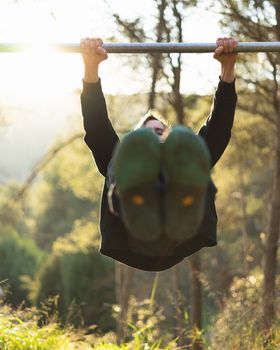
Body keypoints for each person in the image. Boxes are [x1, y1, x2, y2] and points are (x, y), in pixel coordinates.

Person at [80, 37, 238, 271]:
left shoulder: (183, 158)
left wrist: (228, 68)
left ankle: (175, 208)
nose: (156, 134)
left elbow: (218, 129)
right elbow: (97, 128)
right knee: (119, 158)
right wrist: (90, 68)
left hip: (180, 233)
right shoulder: (123, 158)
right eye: (148, 132)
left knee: (193, 152)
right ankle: (140, 204)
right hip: (131, 234)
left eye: (161, 131)